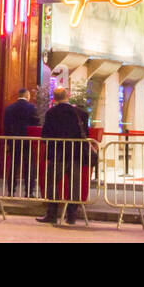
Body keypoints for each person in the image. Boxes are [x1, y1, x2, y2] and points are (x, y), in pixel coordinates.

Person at [38, 88, 88, 225]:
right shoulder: (81, 113)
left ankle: (52, 214)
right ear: (68, 95)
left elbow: (45, 135)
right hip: (76, 154)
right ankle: (71, 215)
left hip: (58, 154)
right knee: (74, 185)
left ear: (54, 98)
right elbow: (86, 135)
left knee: (52, 182)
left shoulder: (51, 113)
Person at [2, 88, 41, 197]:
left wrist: (8, 141)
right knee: (29, 166)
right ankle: (29, 191)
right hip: (28, 141)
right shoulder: (32, 108)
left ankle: (11, 191)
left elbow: (6, 126)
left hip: (14, 141)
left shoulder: (9, 108)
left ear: (18, 96)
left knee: (13, 166)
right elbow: (36, 123)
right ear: (27, 96)